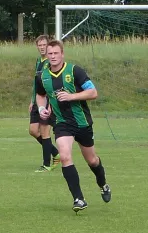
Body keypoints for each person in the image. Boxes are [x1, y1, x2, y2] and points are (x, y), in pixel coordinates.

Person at [35, 40, 111, 213]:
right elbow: (40, 95)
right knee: (65, 156)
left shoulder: (75, 71)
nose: (53, 57)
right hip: (62, 124)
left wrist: (71, 96)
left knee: (92, 160)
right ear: (46, 55)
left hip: (82, 122)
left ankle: (103, 184)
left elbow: (93, 92)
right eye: (50, 54)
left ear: (62, 54)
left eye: (56, 53)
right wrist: (41, 108)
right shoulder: (42, 76)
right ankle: (79, 198)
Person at [28, 34, 60, 172]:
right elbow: (36, 83)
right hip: (37, 100)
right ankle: (55, 153)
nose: (42, 47)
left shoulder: (51, 62)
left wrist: (49, 103)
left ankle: (46, 164)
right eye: (39, 45)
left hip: (47, 101)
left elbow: (52, 83)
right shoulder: (39, 61)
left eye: (44, 45)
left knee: (45, 132)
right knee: (33, 131)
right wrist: (32, 100)